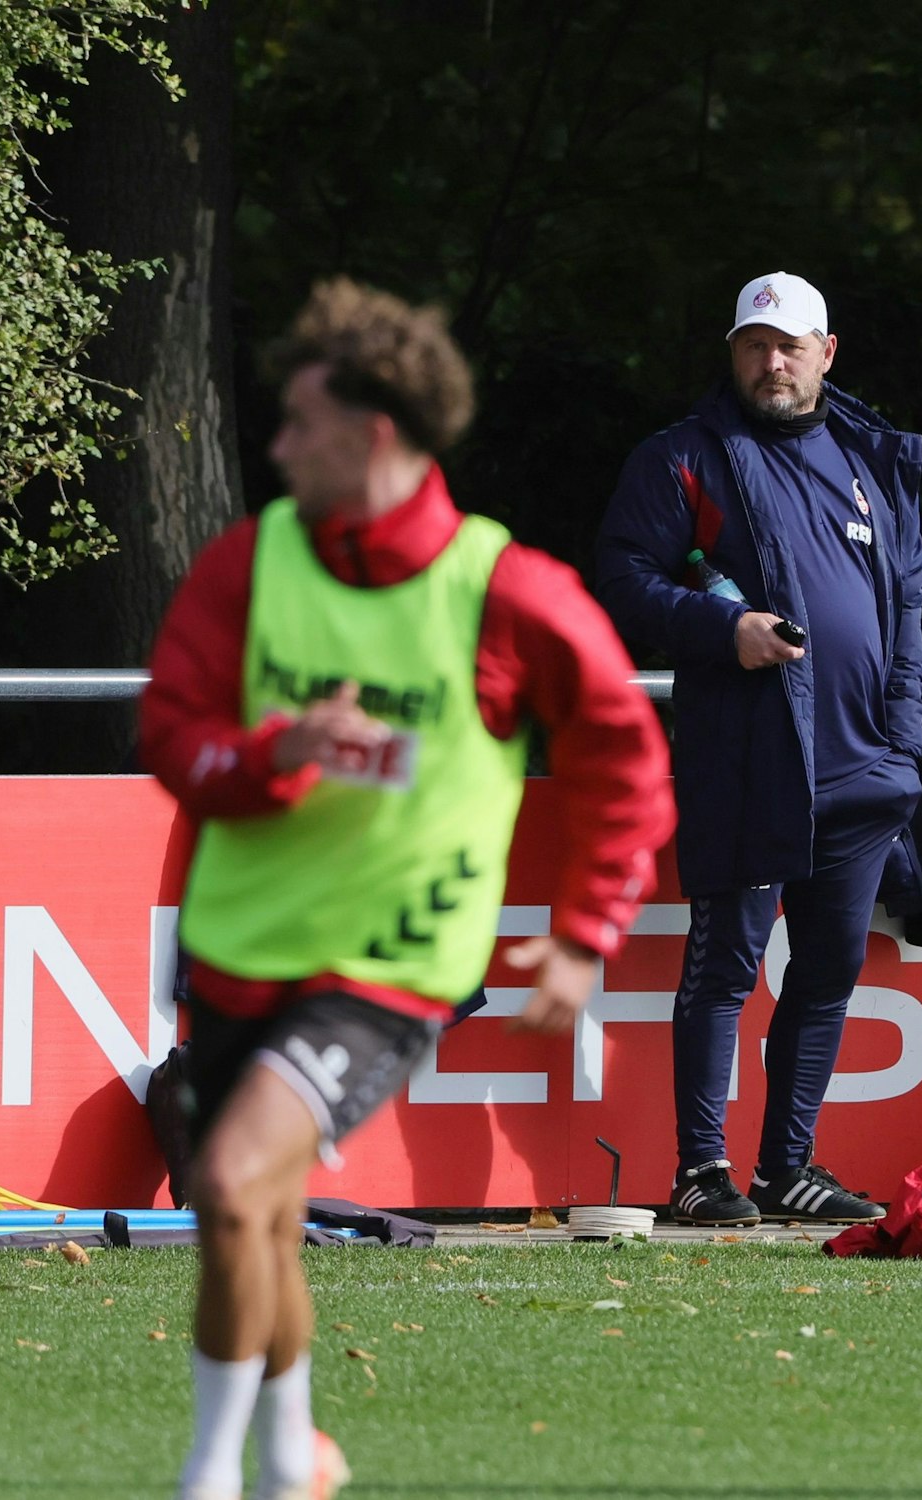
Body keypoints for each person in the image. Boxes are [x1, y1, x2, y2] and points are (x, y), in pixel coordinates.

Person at [142, 278, 673, 1500]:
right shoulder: (250, 564)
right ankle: (296, 1456)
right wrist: (267, 757)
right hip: (240, 950)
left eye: (298, 425)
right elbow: (174, 736)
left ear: (371, 436)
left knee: (227, 1182)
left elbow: (623, 760)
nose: (276, 448)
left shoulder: (506, 591)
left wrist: (587, 931)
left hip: (391, 967)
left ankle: (212, 1478)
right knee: (256, 1217)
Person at [595, 272, 922, 1229]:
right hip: (751, 760)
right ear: (732, 353)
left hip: (867, 770)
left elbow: (905, 609)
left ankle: (791, 1169)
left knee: (826, 974)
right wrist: (719, 628)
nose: (769, 362)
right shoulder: (684, 458)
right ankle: (703, 1169)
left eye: (788, 345)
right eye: (752, 345)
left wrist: (902, 749)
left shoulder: (872, 458)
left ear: (828, 352)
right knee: (725, 971)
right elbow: (621, 579)